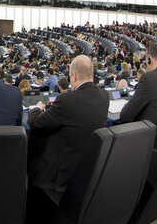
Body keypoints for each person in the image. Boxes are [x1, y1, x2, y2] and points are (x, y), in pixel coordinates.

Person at [27, 56, 109, 192]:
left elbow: (35, 123)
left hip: (59, 175)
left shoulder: (65, 100)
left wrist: (36, 108)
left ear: (74, 76)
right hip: (85, 170)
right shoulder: (104, 96)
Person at [119, 43, 157, 137]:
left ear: (149, 59)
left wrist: (128, 104)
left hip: (147, 138)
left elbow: (126, 115)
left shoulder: (148, 78)